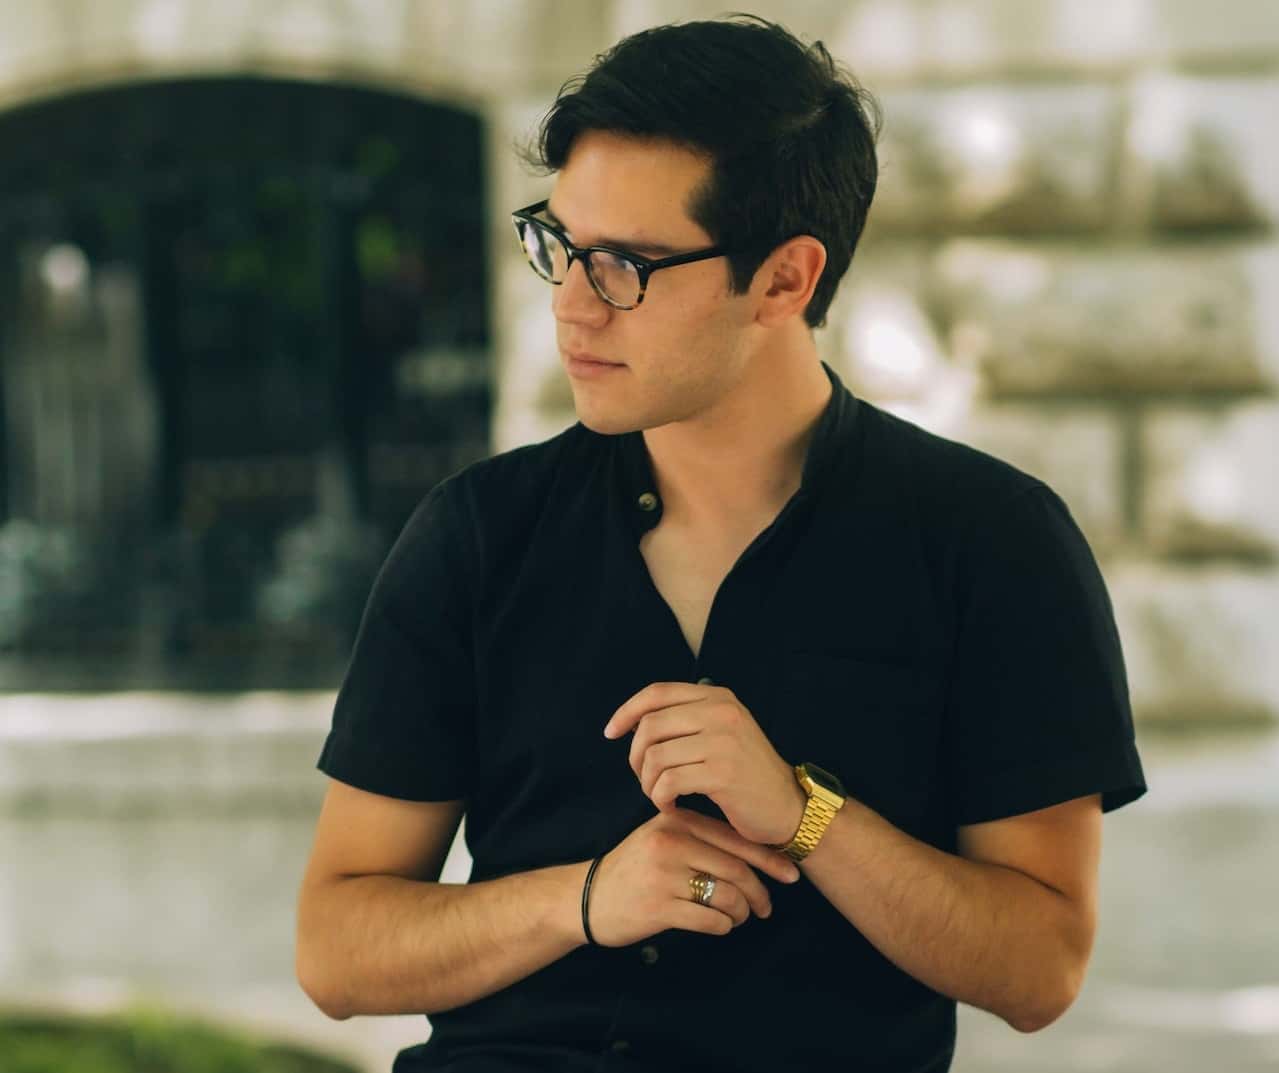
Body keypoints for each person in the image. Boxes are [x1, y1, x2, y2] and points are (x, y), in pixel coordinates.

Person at [295, 13, 1147, 1073]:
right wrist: (586, 897)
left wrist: (804, 813)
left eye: (625, 264)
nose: (571, 307)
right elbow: (336, 948)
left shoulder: (991, 541)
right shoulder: (477, 532)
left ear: (785, 279)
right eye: (560, 245)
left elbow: (1039, 968)